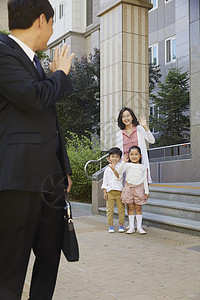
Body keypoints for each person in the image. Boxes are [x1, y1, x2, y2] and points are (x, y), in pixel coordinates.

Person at [0, 1, 75, 299]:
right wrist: (61, 75)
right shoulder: (3, 51)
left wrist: (64, 167)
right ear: (42, 20)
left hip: (51, 181)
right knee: (11, 268)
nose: (52, 32)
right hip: (19, 179)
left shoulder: (34, 62)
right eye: (53, 24)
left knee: (50, 260)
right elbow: (32, 98)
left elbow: (50, 122)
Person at [116, 107, 155, 183]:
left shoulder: (140, 129)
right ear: (121, 119)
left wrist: (145, 127)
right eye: (123, 117)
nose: (126, 118)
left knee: (141, 190)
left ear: (132, 117)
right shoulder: (119, 134)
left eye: (128, 115)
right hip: (127, 168)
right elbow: (119, 152)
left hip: (140, 166)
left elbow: (152, 141)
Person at [117, 146, 149, 234]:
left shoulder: (143, 167)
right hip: (128, 188)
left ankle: (139, 227)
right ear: (129, 156)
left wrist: (146, 191)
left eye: (136, 154)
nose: (134, 156)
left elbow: (145, 180)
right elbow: (119, 171)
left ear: (140, 155)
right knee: (130, 208)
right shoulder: (127, 165)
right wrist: (123, 161)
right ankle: (131, 226)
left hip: (139, 188)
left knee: (138, 208)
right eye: (131, 154)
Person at [101, 147, 125, 233]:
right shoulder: (107, 169)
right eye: (113, 156)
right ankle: (110, 226)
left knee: (121, 210)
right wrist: (104, 192)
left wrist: (114, 168)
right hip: (110, 192)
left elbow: (119, 177)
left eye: (117, 156)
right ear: (109, 158)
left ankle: (121, 225)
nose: (114, 158)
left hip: (119, 192)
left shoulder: (121, 167)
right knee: (110, 210)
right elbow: (105, 182)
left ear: (120, 158)